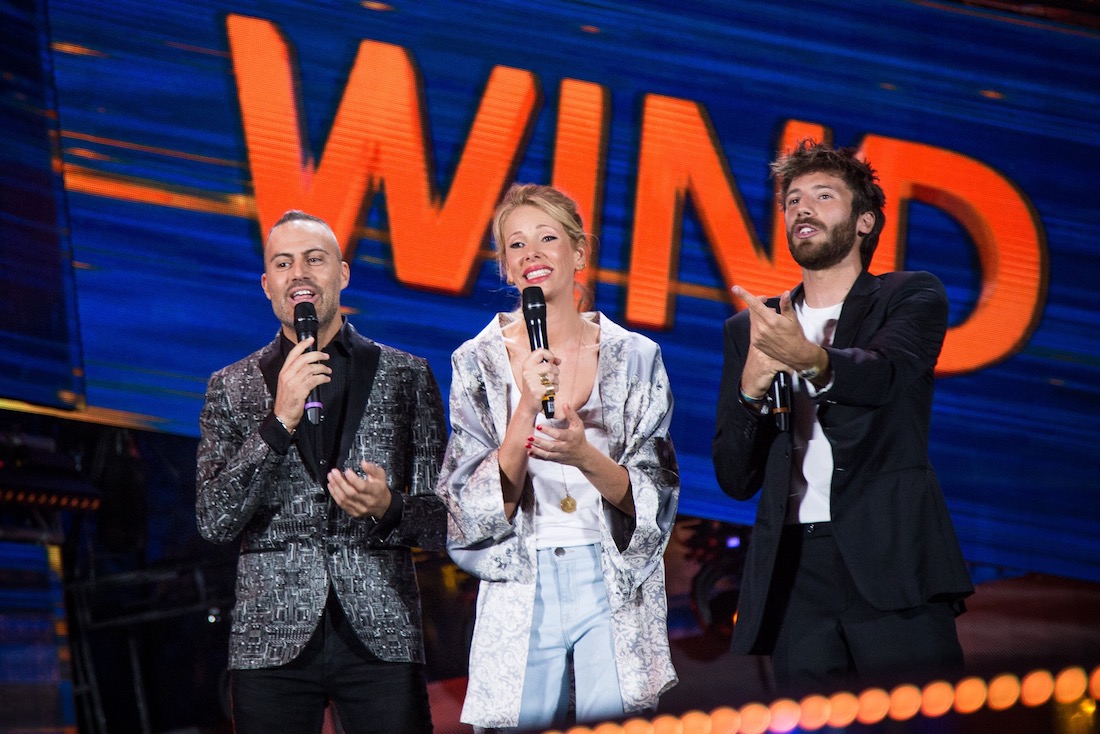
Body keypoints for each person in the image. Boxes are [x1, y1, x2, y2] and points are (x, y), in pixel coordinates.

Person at [711, 140, 974, 696]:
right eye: (792, 200)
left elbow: (883, 374)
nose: (802, 208)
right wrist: (751, 391)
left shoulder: (909, 295)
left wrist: (808, 357)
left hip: (892, 556)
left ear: (864, 220)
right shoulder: (751, 328)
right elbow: (735, 477)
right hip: (794, 572)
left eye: (823, 196)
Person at [435, 183, 679, 732]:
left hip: (611, 576)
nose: (532, 254)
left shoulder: (636, 357)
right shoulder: (476, 361)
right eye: (516, 245)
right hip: (523, 578)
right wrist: (525, 406)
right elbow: (468, 504)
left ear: (579, 252)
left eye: (547, 238)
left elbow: (657, 491)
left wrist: (583, 454)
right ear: (505, 266)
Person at [195, 210, 447, 734]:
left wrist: (388, 507)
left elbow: (443, 521)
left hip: (381, 631)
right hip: (270, 639)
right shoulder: (231, 386)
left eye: (315, 259)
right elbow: (214, 520)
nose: (299, 274)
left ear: (343, 273)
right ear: (267, 284)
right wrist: (278, 422)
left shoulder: (406, 375)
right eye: (283, 263)